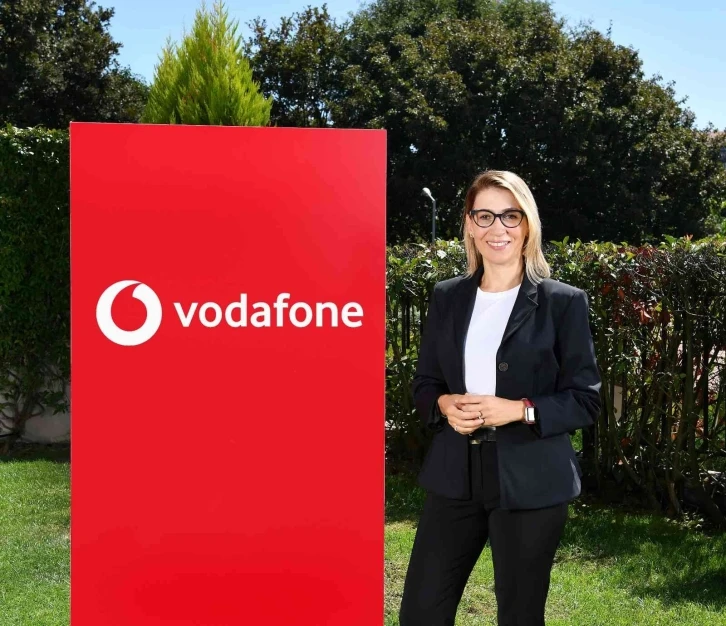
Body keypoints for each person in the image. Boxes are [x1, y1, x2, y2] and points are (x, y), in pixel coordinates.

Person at [398, 170, 601, 626]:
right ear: (470, 225)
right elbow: (425, 383)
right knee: (421, 611)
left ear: (527, 225)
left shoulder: (563, 302)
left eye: (510, 215)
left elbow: (585, 399)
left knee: (519, 615)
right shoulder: (447, 297)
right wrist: (444, 405)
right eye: (485, 215)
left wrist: (520, 410)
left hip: (531, 478)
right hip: (455, 474)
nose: (498, 228)